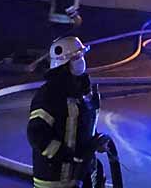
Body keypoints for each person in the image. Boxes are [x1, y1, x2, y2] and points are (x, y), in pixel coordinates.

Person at [27, 36, 107, 188]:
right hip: (55, 178)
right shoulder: (49, 95)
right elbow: (37, 134)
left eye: (82, 56)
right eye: (76, 57)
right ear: (63, 63)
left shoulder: (82, 89)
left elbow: (83, 125)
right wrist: (69, 156)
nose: (81, 61)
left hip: (83, 172)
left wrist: (96, 142)